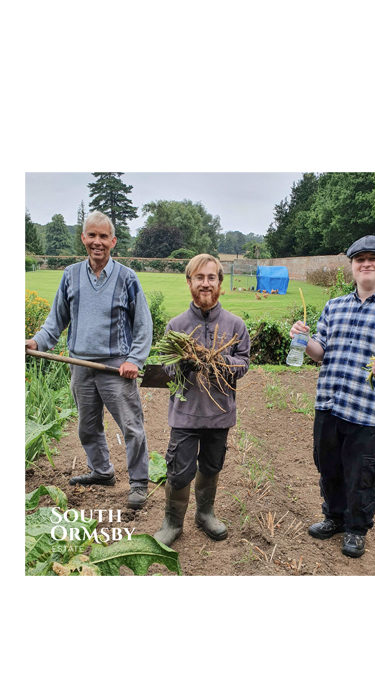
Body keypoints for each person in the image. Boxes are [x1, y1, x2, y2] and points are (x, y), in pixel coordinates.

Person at [290, 235, 375, 558]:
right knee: (329, 466)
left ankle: (356, 529)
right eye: (359, 259)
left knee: (362, 475)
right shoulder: (335, 306)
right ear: (352, 266)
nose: (366, 264)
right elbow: (320, 353)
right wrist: (304, 340)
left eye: (373, 258)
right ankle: (333, 518)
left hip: (369, 413)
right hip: (330, 405)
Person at [26, 211, 152, 508]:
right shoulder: (70, 275)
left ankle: (138, 482)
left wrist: (134, 359)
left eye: (103, 236)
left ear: (113, 241)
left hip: (115, 367)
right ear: (83, 238)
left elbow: (143, 325)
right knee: (87, 426)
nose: (97, 242)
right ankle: (102, 471)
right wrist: (36, 341)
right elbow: (55, 321)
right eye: (92, 235)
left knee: (131, 426)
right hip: (80, 366)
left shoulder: (127, 278)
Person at [154, 254, 250, 547]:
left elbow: (243, 363)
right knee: (179, 469)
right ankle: (172, 522)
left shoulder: (235, 325)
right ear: (189, 282)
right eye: (199, 278)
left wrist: (218, 360)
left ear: (220, 282)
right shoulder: (176, 325)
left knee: (211, 466)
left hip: (220, 413)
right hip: (185, 413)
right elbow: (166, 368)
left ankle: (205, 513)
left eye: (211, 278)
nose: (205, 284)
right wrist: (184, 362)